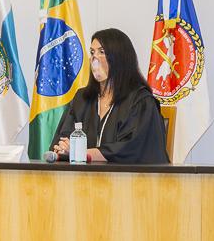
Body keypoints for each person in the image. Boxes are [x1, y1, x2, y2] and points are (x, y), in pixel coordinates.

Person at [50, 28, 169, 164]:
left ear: (120, 58)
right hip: (83, 176)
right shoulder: (82, 99)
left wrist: (82, 153)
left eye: (102, 52)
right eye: (92, 52)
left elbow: (132, 149)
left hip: (128, 176)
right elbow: (63, 140)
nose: (94, 57)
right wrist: (63, 149)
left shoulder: (141, 101)